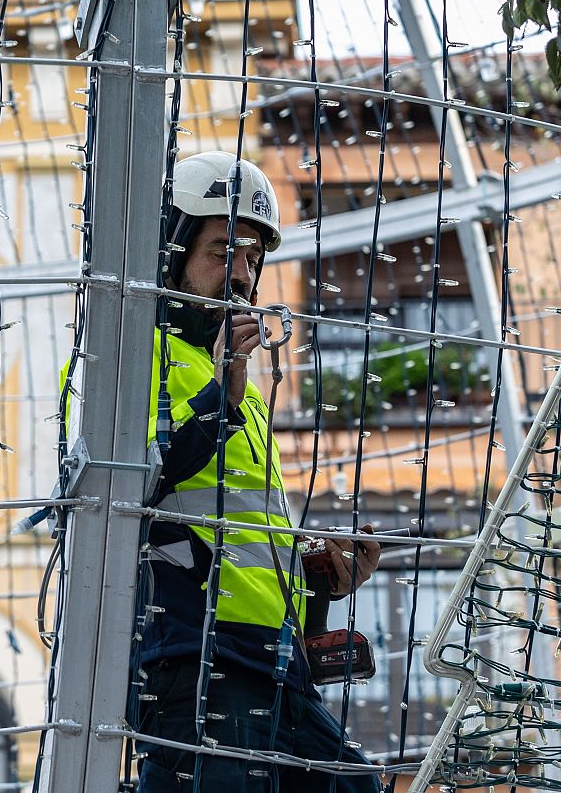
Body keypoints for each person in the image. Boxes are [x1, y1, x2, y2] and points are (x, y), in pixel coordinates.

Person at [125, 151, 383, 792]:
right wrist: (223, 396)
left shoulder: (242, 388)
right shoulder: (127, 362)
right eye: (222, 252)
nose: (242, 275)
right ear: (172, 253)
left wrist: (318, 576)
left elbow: (238, 532)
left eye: (253, 259)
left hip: (271, 658)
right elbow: (133, 484)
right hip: (193, 655)